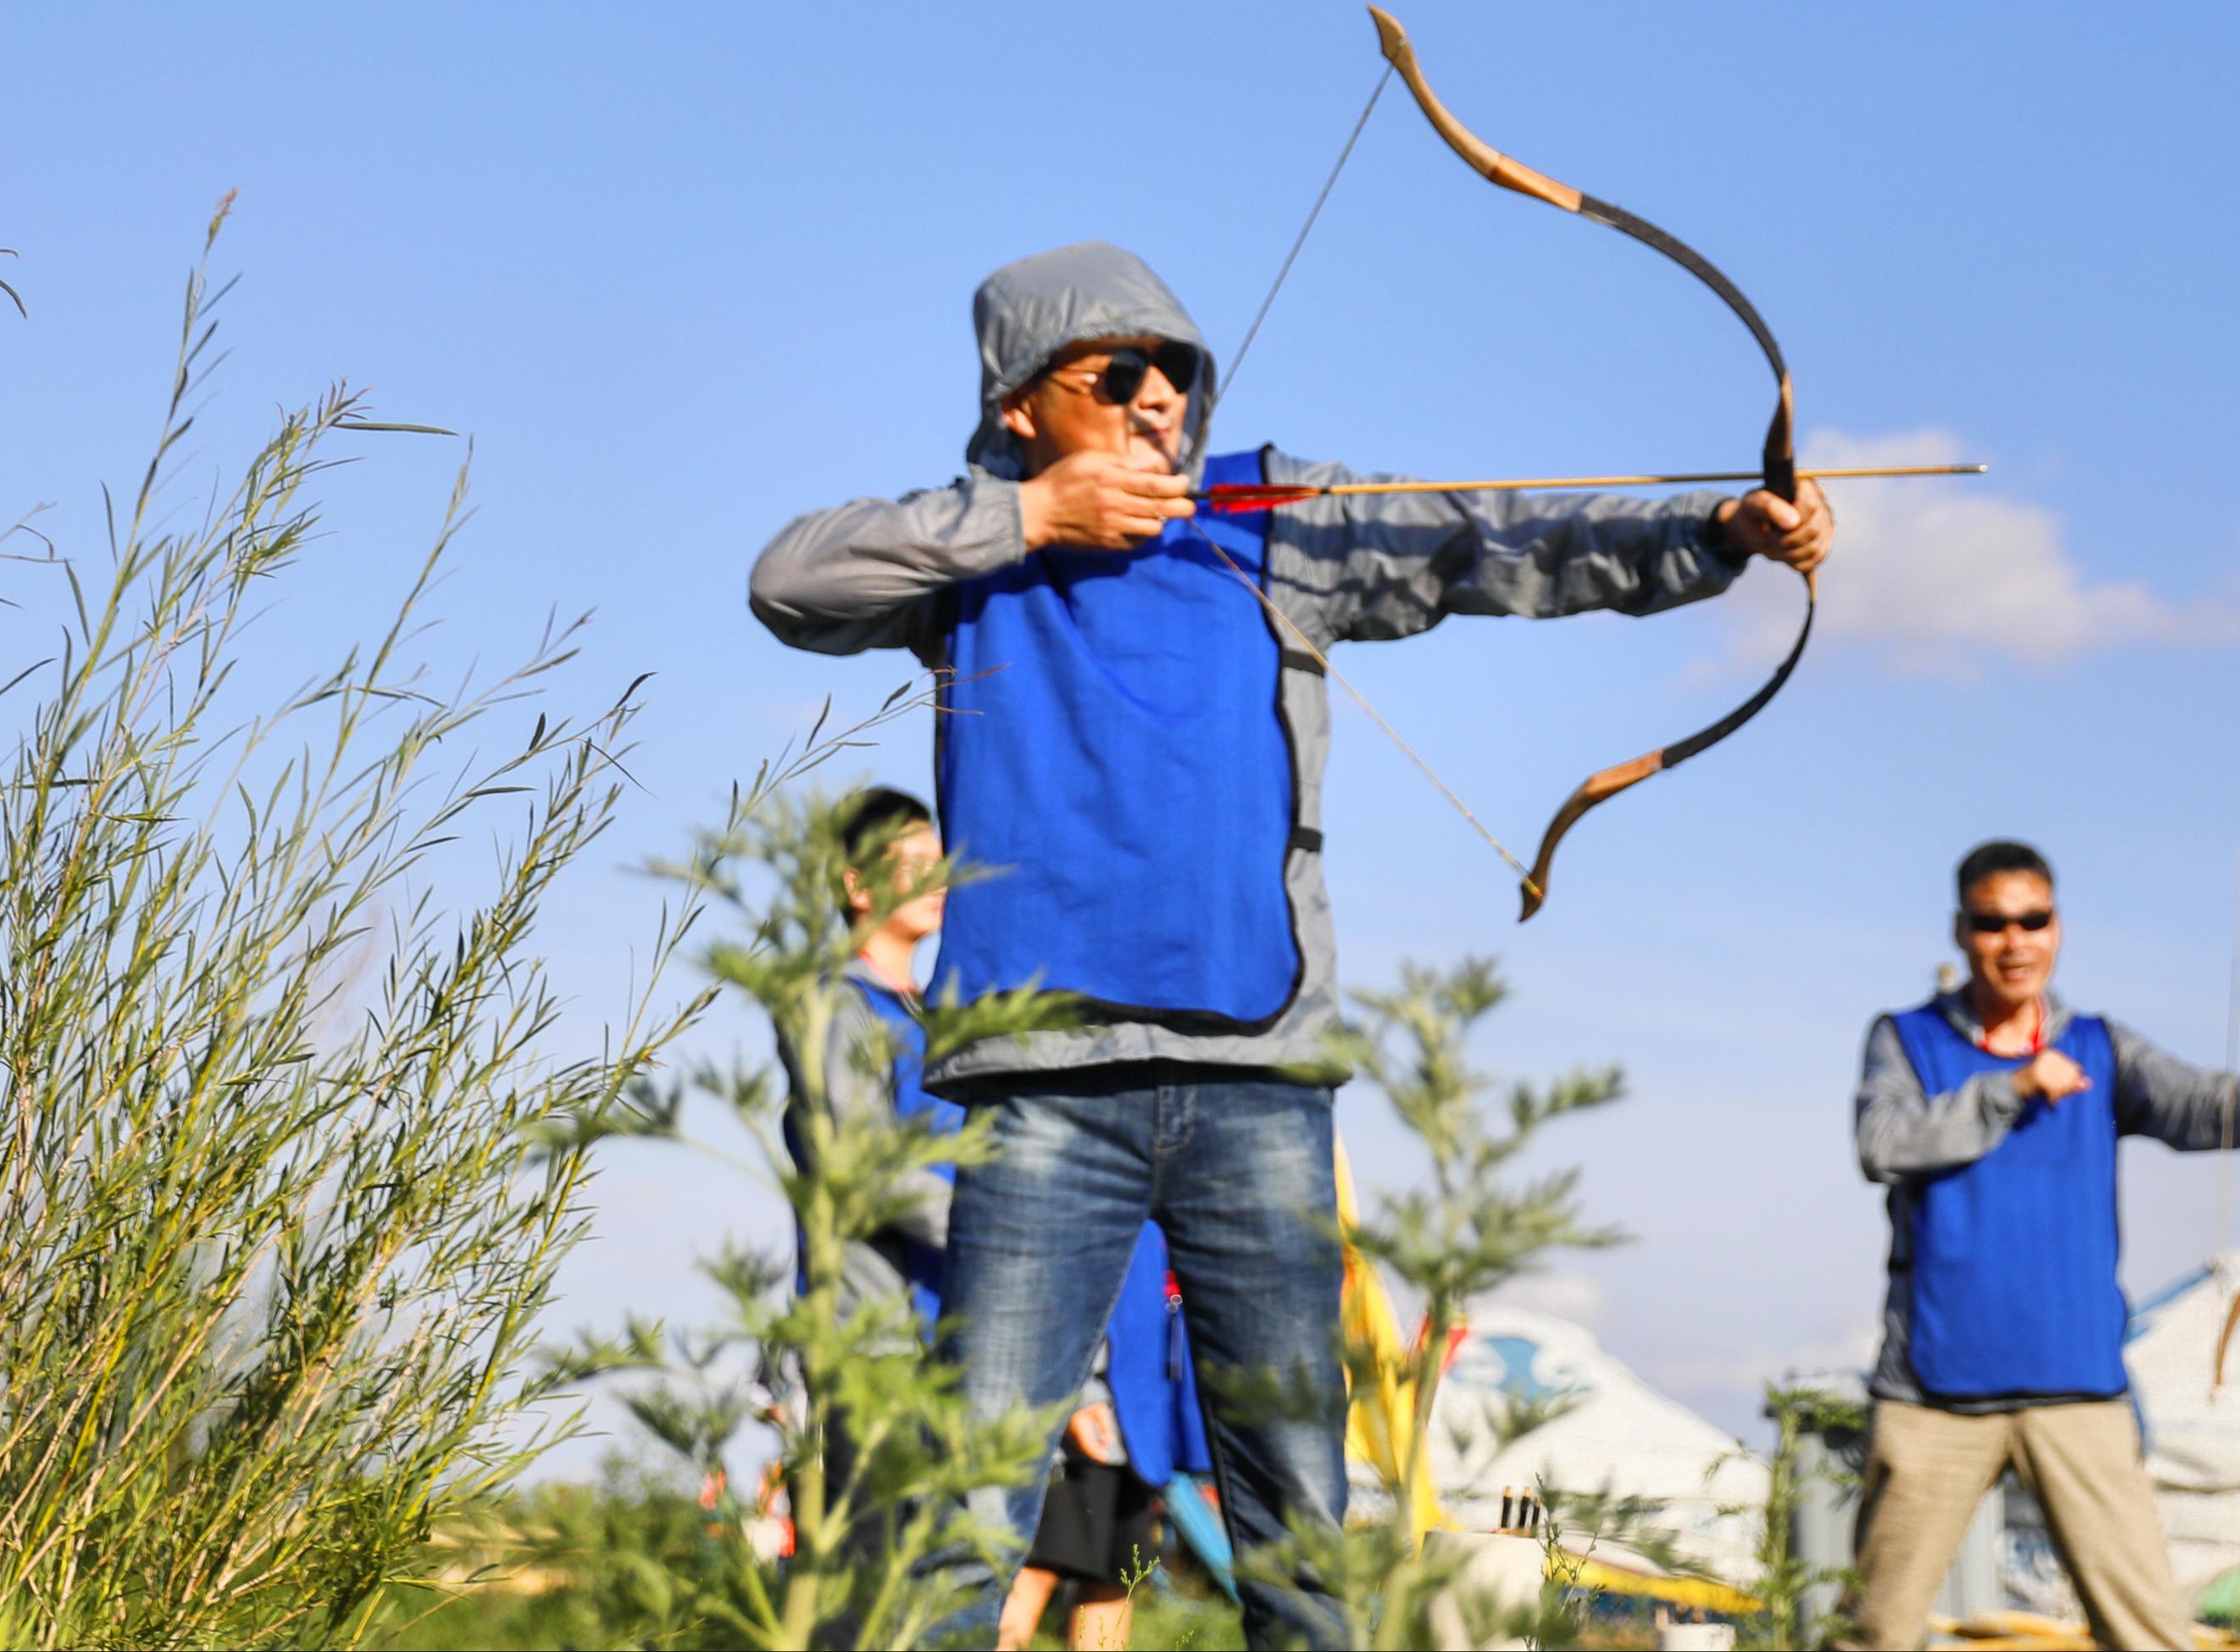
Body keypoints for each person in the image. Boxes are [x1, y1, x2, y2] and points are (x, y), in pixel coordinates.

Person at [749, 240, 1829, 1646]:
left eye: (1178, 375)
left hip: (1258, 1084)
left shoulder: (1272, 518)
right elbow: (787, 581)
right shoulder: (969, 551)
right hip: (1037, 1089)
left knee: (1298, 1531)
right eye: (1119, 375)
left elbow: (1492, 535)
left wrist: (1712, 536)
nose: (1160, 402)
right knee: (963, 1515)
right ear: (1020, 404)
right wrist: (1032, 519)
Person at [1844, 839, 2240, 1651]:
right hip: (1933, 1393)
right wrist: (2014, 1087)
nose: (2015, 941)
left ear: (2058, 928)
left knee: (2150, 1637)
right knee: (1874, 1633)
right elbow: (1881, 1142)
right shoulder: (1907, 1038)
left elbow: (2209, 1106)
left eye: (2034, 921)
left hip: (2079, 1390)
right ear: (1962, 931)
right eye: (1994, 924)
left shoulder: (2101, 1048)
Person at [776, 786, 965, 1328]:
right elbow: (868, 1162)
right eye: (914, 865)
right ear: (856, 884)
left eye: (940, 864)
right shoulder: (836, 1002)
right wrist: (996, 1235)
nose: (938, 882)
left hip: (947, 1317)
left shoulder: (934, 1012)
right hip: (879, 1331)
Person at [996, 1223, 1218, 1651]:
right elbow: (1056, 1292)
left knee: (1115, 1579)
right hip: (1074, 1419)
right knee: (1035, 1571)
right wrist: (1075, 1395)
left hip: (1136, 1429)